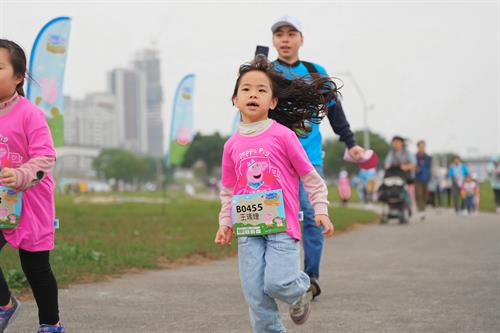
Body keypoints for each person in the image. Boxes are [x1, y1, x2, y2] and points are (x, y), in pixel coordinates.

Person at [215, 56, 335, 332]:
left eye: (261, 89)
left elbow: (310, 177)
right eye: (246, 89)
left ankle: (300, 290)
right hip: (248, 228)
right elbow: (229, 190)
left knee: (277, 283)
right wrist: (225, 222)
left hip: (283, 226)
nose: (253, 94)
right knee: (256, 295)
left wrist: (321, 209)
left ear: (273, 102)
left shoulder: (283, 135)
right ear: (235, 100)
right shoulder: (231, 145)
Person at [270, 16, 365, 296]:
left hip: (309, 158)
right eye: (279, 34)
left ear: (301, 39)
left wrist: (351, 143)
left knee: (311, 215)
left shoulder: (315, 72)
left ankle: (311, 278)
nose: (285, 39)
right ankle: (277, 276)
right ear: (274, 40)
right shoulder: (265, 71)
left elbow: (335, 111)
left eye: (291, 33)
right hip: (274, 160)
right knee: (275, 218)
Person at [0, 40, 65, 332]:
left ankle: (50, 324)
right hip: (1, 200)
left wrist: (22, 174)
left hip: (31, 202)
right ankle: (4, 304)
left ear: (17, 77)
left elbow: (45, 157)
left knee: (35, 268)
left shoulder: (29, 114)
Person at [384, 136, 416, 210]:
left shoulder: (408, 153)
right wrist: (389, 166)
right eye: (394, 142)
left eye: (398, 142)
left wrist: (406, 167)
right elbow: (386, 165)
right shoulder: (391, 154)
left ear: (402, 143)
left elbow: (414, 165)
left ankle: (408, 204)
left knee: (407, 189)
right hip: (394, 176)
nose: (396, 144)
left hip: (405, 176)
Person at [414, 140, 432, 220]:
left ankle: (423, 208)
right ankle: (421, 209)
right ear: (418, 147)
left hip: (426, 178)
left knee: (425, 195)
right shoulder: (415, 157)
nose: (422, 148)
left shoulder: (428, 157)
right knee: (419, 194)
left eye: (423, 146)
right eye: (420, 146)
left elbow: (430, 168)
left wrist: (430, 175)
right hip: (417, 178)